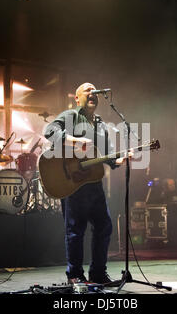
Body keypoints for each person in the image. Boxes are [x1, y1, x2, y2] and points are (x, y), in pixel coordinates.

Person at [44, 82, 128, 284]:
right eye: (88, 90)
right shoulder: (70, 116)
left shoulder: (101, 124)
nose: (93, 93)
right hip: (72, 183)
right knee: (75, 231)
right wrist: (74, 140)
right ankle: (75, 275)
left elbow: (105, 156)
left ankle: (98, 273)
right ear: (77, 97)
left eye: (95, 91)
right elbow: (49, 131)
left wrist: (117, 160)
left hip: (93, 183)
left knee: (104, 227)